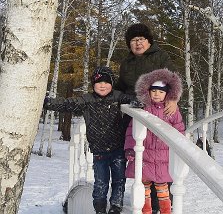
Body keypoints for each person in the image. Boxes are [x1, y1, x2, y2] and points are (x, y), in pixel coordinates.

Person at [43, 66, 136, 214]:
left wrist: (136, 101)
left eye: (106, 82)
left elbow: (132, 99)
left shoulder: (119, 97)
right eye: (99, 82)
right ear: (93, 85)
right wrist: (48, 103)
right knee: (101, 182)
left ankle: (116, 206)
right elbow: (68, 103)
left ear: (112, 83)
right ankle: (99, 207)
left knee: (119, 180)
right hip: (99, 150)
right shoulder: (88, 100)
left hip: (118, 148)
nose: (103, 85)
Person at [114, 23, 179, 212]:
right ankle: (144, 202)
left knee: (159, 154)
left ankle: (164, 201)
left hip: (158, 111)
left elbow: (174, 79)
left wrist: (173, 99)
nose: (138, 43)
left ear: (149, 41)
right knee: (140, 156)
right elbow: (120, 85)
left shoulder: (160, 56)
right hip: (134, 114)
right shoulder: (126, 63)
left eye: (141, 39)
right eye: (134, 40)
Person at [124, 68, 185, 214]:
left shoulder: (171, 110)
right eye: (154, 91)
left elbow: (179, 128)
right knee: (144, 187)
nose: (157, 94)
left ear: (167, 94)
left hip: (164, 157)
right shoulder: (144, 108)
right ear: (148, 91)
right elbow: (132, 129)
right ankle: (146, 211)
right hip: (146, 155)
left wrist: (180, 148)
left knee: (163, 188)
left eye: (161, 92)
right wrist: (130, 148)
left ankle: (165, 211)